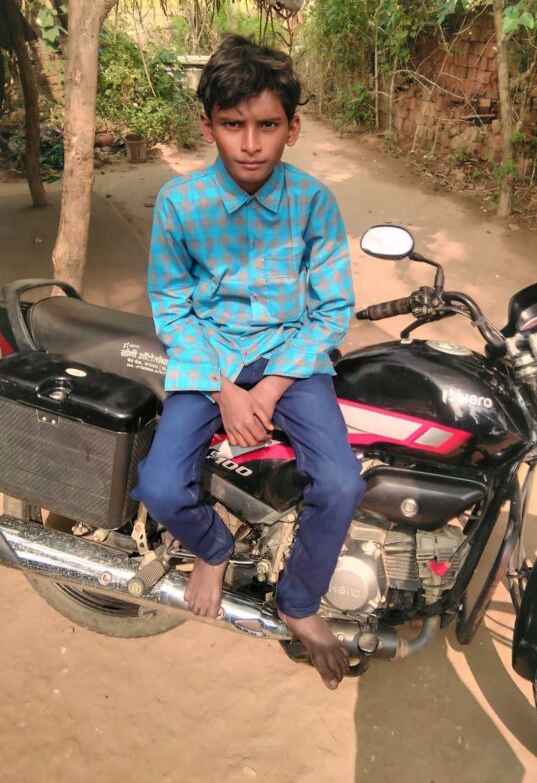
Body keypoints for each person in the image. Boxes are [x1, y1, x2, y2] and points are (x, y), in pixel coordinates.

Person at [132, 35, 365, 689]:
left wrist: (271, 387)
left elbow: (331, 308)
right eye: (233, 125)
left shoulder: (313, 202)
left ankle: (299, 601)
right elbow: (173, 309)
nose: (251, 143)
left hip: (291, 357)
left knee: (341, 484)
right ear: (208, 126)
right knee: (160, 487)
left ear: (293, 127)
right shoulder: (180, 204)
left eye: (268, 125)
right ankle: (214, 546)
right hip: (208, 359)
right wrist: (226, 389)